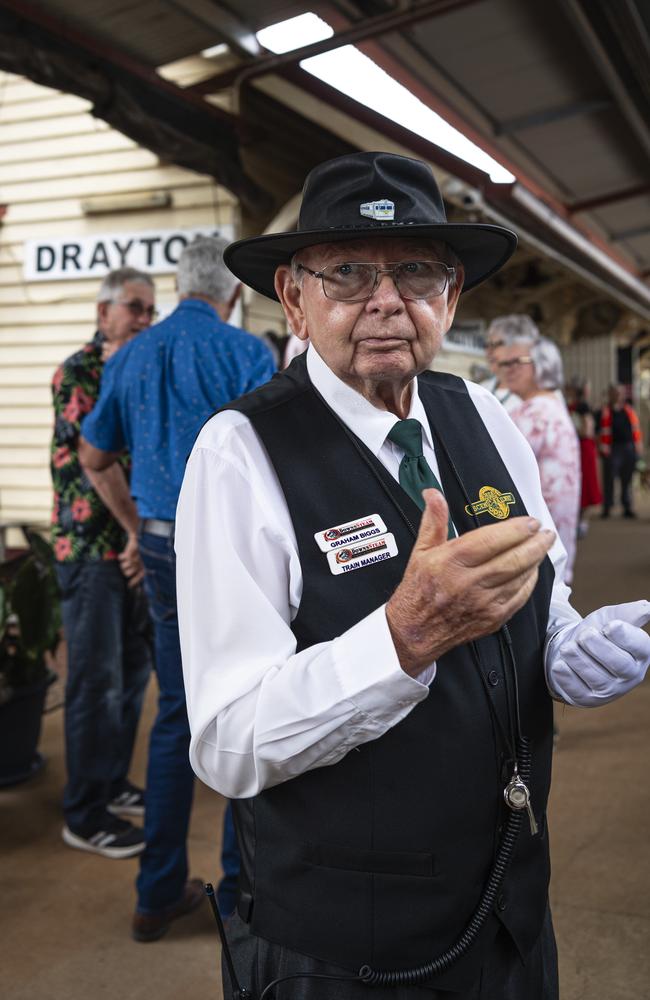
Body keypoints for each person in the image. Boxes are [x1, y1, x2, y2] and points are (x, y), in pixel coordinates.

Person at [174, 151, 650, 1000]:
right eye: (348, 272)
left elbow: (543, 585)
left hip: (511, 911)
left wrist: (566, 643)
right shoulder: (241, 453)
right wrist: (402, 640)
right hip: (350, 950)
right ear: (293, 295)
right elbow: (226, 740)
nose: (386, 299)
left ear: (451, 294)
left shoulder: (486, 416)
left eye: (416, 272)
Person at [77, 236, 276, 942]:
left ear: (179, 283)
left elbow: (94, 454)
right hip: (231, 552)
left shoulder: (131, 353)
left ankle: (158, 892)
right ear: (233, 294)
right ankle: (242, 893)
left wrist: (134, 525)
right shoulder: (246, 353)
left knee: (177, 715)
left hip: (160, 545)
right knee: (249, 708)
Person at [50, 266, 155, 859]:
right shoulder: (80, 372)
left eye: (149, 310)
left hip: (133, 548)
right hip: (90, 548)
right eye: (135, 308)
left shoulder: (135, 368)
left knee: (132, 675)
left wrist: (141, 538)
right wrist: (135, 531)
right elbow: (97, 458)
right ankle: (85, 812)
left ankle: (112, 781)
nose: (143, 319)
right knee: (95, 682)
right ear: (104, 311)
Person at [498, 337, 581, 583]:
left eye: (517, 362)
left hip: (534, 535)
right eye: (505, 362)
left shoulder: (532, 411)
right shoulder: (553, 404)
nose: (507, 368)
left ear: (542, 366)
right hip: (556, 535)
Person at [480, 314, 540, 413]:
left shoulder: (541, 392)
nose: (488, 352)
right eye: (487, 345)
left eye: (495, 345)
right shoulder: (483, 388)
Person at [599, 384, 643, 518]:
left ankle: (627, 506)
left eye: (620, 393)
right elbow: (599, 431)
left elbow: (636, 429)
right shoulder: (605, 411)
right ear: (611, 394)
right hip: (613, 449)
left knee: (627, 479)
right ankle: (607, 506)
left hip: (628, 448)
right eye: (616, 393)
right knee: (609, 479)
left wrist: (638, 445)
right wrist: (602, 446)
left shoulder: (629, 410)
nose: (618, 395)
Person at [566, 377, 602, 536]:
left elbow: (587, 430)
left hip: (583, 447)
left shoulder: (582, 406)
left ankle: (582, 521)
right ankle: (576, 519)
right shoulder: (571, 405)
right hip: (575, 446)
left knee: (585, 483)